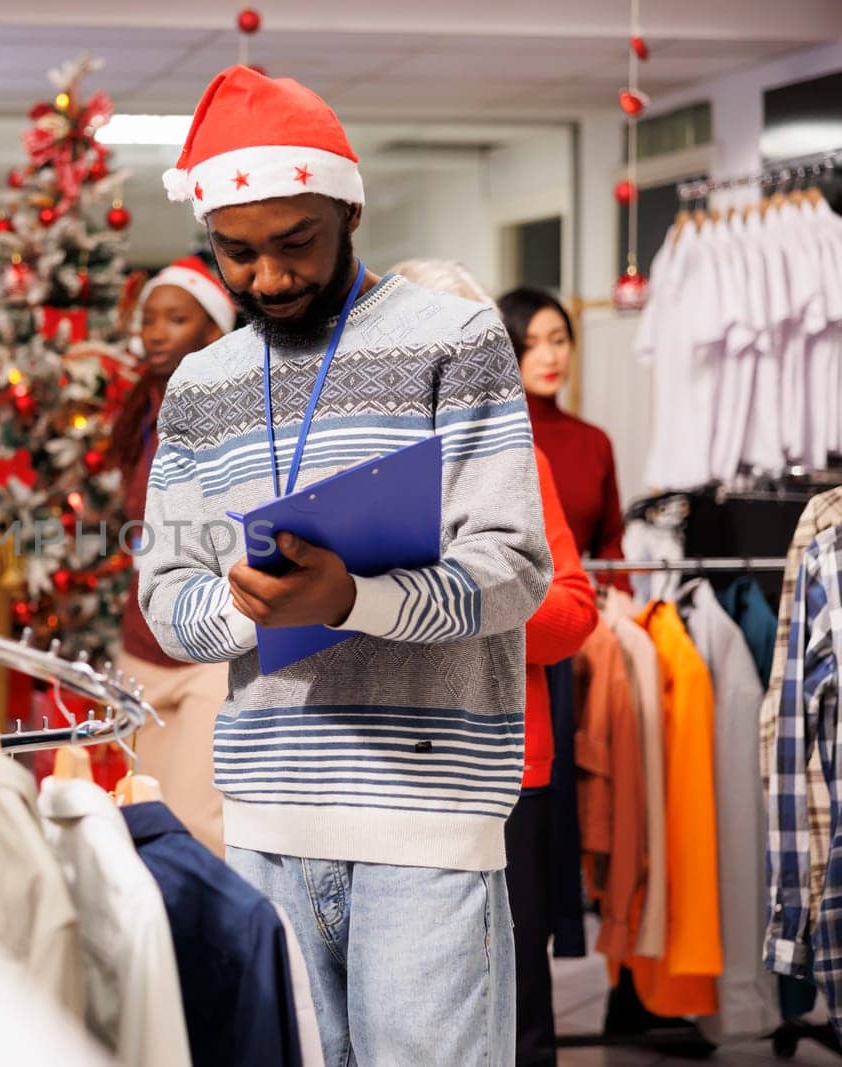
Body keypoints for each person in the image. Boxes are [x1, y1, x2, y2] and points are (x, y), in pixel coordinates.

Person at [140, 68, 552, 1066]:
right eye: (238, 255)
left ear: (348, 208)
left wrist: (354, 597)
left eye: (296, 244)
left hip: (429, 818)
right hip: (264, 819)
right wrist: (252, 608)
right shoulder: (201, 382)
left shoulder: (452, 339)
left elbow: (514, 568)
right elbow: (166, 598)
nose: (269, 278)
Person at [395, 260, 600, 1065]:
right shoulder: (342, 460)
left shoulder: (522, 461)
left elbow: (573, 610)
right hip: (380, 764)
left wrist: (460, 599)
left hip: (501, 767)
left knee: (514, 998)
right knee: (404, 995)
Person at [108, 255, 237, 857]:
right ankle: (161, 952)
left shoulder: (236, 411)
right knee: (138, 820)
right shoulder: (142, 414)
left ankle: (226, 952)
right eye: (149, 318)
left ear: (214, 330)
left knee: (195, 824)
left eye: (176, 318)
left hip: (208, 649)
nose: (155, 332)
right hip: (140, 647)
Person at [498, 286, 631, 592]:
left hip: (581, 600)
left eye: (558, 341)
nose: (549, 357)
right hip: (509, 604)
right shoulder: (494, 435)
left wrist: (620, 597)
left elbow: (610, 543)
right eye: (530, 345)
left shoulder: (595, 442)